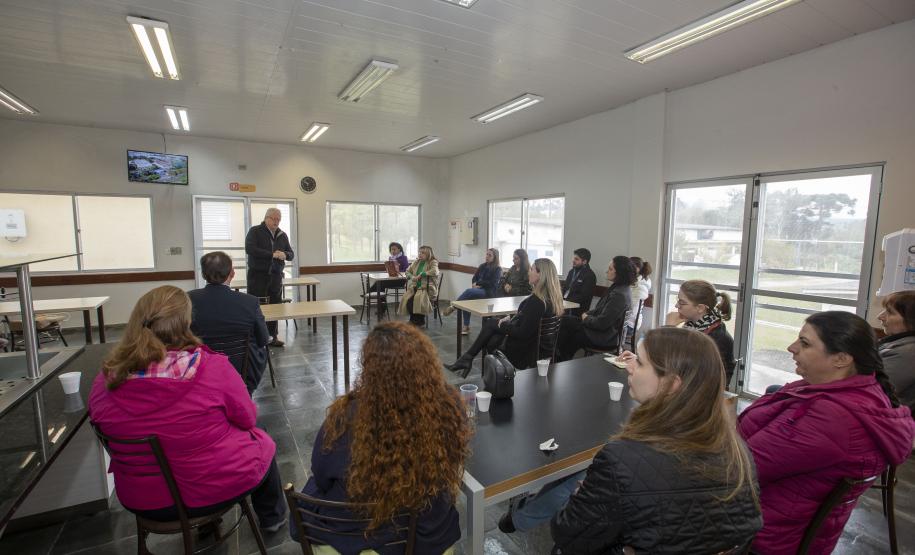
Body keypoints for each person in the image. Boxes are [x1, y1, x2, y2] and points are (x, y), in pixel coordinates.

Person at [497, 327, 762, 553]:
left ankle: (521, 515)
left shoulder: (621, 460)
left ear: (672, 385)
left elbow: (567, 533)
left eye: (641, 362)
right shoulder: (739, 453)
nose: (629, 365)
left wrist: (584, 493)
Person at [89, 286, 287, 533]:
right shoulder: (211, 368)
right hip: (209, 488)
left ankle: (209, 527)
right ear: (188, 322)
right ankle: (272, 518)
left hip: (140, 498)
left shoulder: (104, 381)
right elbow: (247, 418)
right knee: (262, 438)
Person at [738, 311, 915, 555]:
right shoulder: (849, 393)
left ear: (841, 359)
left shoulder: (830, 418)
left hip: (762, 532)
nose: (791, 348)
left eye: (805, 343)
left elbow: (739, 469)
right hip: (778, 517)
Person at [290, 322, 469, 554]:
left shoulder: (343, 418)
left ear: (370, 369)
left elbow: (322, 474)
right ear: (426, 364)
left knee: (313, 490)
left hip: (358, 532)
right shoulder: (448, 407)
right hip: (423, 534)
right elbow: (453, 462)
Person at [446, 258, 564, 376]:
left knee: (491, 333)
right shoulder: (552, 299)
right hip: (543, 348)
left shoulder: (537, 302)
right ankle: (468, 359)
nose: (529, 272)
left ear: (540, 275)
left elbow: (522, 332)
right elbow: (529, 319)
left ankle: (470, 360)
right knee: (492, 327)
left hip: (525, 352)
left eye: (532, 269)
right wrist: (511, 318)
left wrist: (503, 324)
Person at [188, 251, 270, 395]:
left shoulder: (188, 299)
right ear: (232, 273)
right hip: (242, 371)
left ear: (203, 274)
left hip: (201, 370)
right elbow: (263, 338)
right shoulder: (249, 302)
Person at [556, 256, 634, 361]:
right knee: (565, 321)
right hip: (606, 332)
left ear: (620, 272)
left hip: (605, 337)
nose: (607, 271)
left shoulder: (619, 294)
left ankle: (560, 358)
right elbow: (600, 309)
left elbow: (602, 323)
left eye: (610, 269)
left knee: (568, 332)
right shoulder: (621, 288)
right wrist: (587, 314)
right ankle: (560, 357)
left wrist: (586, 318)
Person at [666, 280, 736, 387]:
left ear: (700, 308)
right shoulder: (693, 326)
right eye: (677, 300)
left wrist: (669, 329)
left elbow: (672, 361)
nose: (676, 305)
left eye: (682, 302)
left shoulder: (715, 338)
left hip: (702, 393)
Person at [245, 207, 294, 347]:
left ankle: (273, 336)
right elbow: (250, 248)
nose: (276, 222)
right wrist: (271, 254)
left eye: (279, 219)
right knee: (258, 307)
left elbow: (291, 253)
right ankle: (258, 338)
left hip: (276, 277)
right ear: (266, 218)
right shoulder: (255, 231)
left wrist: (285, 255)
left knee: (275, 306)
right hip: (258, 276)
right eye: (274, 218)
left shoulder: (282, 235)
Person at [442, 248, 503, 335]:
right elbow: (475, 277)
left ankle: (454, 306)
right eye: (487, 254)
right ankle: (466, 326)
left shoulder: (498, 269)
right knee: (466, 301)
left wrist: (478, 283)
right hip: (478, 289)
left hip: (488, 292)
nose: (487, 257)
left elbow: (492, 283)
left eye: (490, 255)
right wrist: (474, 283)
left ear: (495, 257)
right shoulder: (482, 266)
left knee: (468, 292)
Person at [877, 290, 915, 415]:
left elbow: (873, 391)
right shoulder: (899, 343)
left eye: (890, 312)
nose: (880, 317)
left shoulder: (907, 353)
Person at [399, 245, 440, 326]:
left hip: (427, 288)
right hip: (415, 287)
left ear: (428, 254)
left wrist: (422, 274)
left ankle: (418, 321)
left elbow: (435, 271)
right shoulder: (416, 262)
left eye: (423, 253)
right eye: (419, 252)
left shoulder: (433, 262)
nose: (420, 254)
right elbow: (407, 271)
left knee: (417, 299)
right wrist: (412, 277)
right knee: (407, 300)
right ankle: (415, 320)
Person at [372, 242, 410, 316]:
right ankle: (382, 308)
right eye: (391, 250)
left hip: (400, 280)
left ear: (399, 249)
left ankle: (369, 294)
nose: (392, 251)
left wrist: (397, 270)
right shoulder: (390, 258)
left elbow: (406, 270)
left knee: (380, 284)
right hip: (391, 279)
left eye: (394, 249)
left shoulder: (404, 258)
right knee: (379, 284)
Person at [624, 256, 652, 348]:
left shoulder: (640, 287)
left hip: (629, 325)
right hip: (625, 321)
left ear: (636, 269)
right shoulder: (633, 282)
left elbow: (630, 309)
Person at [561, 248, 597, 316]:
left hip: (577, 311)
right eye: (574, 258)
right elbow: (565, 288)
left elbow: (583, 296)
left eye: (576, 259)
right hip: (565, 305)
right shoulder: (571, 272)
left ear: (584, 262)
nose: (573, 261)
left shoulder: (590, 276)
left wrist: (566, 302)